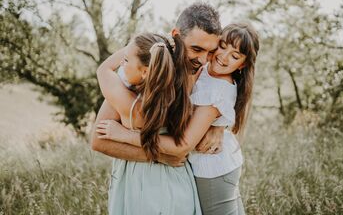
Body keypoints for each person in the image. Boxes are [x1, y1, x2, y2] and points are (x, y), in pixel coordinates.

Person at [97, 23, 260, 215]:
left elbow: (181, 147)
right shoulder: (204, 64)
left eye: (234, 56)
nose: (222, 56)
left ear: (241, 64)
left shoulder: (218, 87)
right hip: (199, 167)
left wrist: (124, 134)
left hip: (213, 169)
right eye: (222, 47)